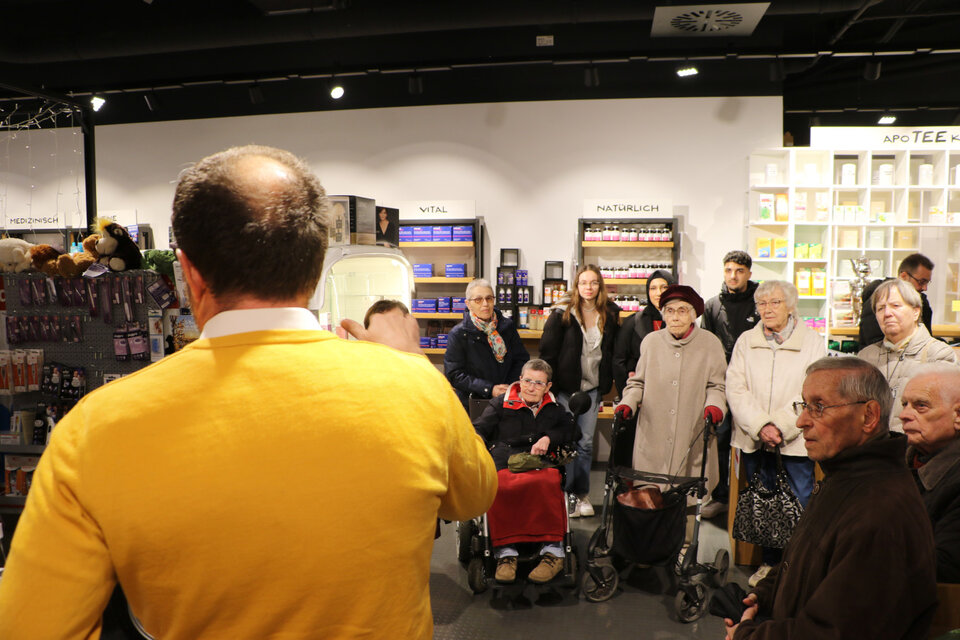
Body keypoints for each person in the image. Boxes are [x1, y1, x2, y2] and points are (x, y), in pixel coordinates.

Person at [0, 145, 498, 639]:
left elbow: (32, 626)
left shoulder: (96, 427)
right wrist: (410, 363)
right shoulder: (414, 385)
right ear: (317, 260)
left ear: (188, 271)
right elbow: (475, 495)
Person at [726, 357, 937, 640]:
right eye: (803, 405)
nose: (801, 421)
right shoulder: (845, 478)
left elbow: (835, 632)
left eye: (819, 407)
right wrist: (766, 593)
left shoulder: (880, 510)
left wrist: (747, 636)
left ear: (869, 416)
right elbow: (806, 560)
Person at [725, 280, 825, 587]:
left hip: (794, 440)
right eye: (762, 304)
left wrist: (779, 426)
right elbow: (736, 387)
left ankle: (798, 565)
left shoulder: (812, 341)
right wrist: (760, 425)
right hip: (754, 439)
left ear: (791, 306)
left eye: (775, 303)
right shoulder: (746, 340)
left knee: (799, 502)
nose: (767, 309)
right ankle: (769, 563)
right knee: (764, 502)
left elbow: (810, 390)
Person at [614, 285, 726, 502]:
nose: (675, 317)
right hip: (653, 433)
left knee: (689, 500)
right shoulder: (651, 342)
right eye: (670, 311)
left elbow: (717, 386)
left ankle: (686, 535)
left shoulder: (710, 344)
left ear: (693, 315)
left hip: (692, 432)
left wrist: (715, 406)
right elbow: (638, 383)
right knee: (650, 499)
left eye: (682, 311)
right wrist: (628, 402)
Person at [472, 359, 578, 584]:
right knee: (500, 485)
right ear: (520, 380)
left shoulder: (554, 407)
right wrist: (476, 443)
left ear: (548, 387)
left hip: (540, 463)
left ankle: (554, 552)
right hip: (505, 461)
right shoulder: (500, 404)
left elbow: (572, 430)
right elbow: (479, 428)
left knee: (550, 481)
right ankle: (506, 554)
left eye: (538, 383)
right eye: (527, 381)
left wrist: (549, 438)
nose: (531, 387)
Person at [540, 264, 620, 518]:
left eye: (594, 282)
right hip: (565, 389)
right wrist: (548, 388)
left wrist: (609, 386)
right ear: (577, 285)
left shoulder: (610, 312)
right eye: (584, 282)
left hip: (592, 389)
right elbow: (548, 352)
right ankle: (562, 493)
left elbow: (612, 352)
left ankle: (581, 494)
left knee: (585, 443)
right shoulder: (562, 313)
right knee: (565, 441)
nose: (589, 287)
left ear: (600, 286)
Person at [701, 250, 761, 520]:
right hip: (722, 384)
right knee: (721, 440)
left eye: (739, 271)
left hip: (753, 382)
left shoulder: (761, 303)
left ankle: (751, 494)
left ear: (749, 273)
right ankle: (720, 496)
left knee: (752, 436)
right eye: (728, 270)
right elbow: (707, 345)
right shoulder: (712, 305)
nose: (733, 276)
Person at [857, 278, 957, 432]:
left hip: (916, 447)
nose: (887, 313)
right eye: (880, 308)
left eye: (895, 306)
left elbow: (943, 414)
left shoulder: (938, 354)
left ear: (916, 312)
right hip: (873, 448)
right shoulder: (866, 357)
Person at [900, 364, 960, 583]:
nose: (904, 415)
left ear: (958, 415)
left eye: (921, 406)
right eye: (904, 404)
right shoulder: (896, 463)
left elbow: (945, 566)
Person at [445, 278, 529, 411]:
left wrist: (508, 387)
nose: (485, 304)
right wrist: (489, 388)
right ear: (468, 304)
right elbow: (454, 375)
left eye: (489, 298)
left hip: (507, 398)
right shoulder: (459, 334)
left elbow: (521, 359)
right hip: (474, 402)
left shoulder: (507, 327)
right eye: (478, 300)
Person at [612, 268, 676, 396]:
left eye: (664, 287)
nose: (659, 293)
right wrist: (628, 395)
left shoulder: (681, 322)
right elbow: (619, 361)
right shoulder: (633, 322)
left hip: (672, 393)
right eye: (653, 288)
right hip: (640, 394)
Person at [859, 253, 935, 346]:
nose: (925, 288)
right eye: (921, 282)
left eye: (927, 282)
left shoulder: (923, 302)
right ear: (903, 276)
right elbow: (874, 341)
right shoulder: (880, 297)